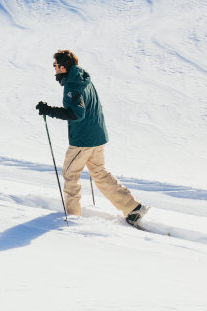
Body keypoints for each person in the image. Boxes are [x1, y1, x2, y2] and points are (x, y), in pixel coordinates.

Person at [36, 49, 147, 226]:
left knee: (70, 175)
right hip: (97, 135)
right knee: (99, 173)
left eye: (55, 65)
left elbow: (76, 114)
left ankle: (73, 217)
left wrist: (49, 110)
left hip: (83, 140)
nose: (54, 68)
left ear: (63, 67)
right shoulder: (83, 77)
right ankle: (133, 208)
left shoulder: (72, 86)